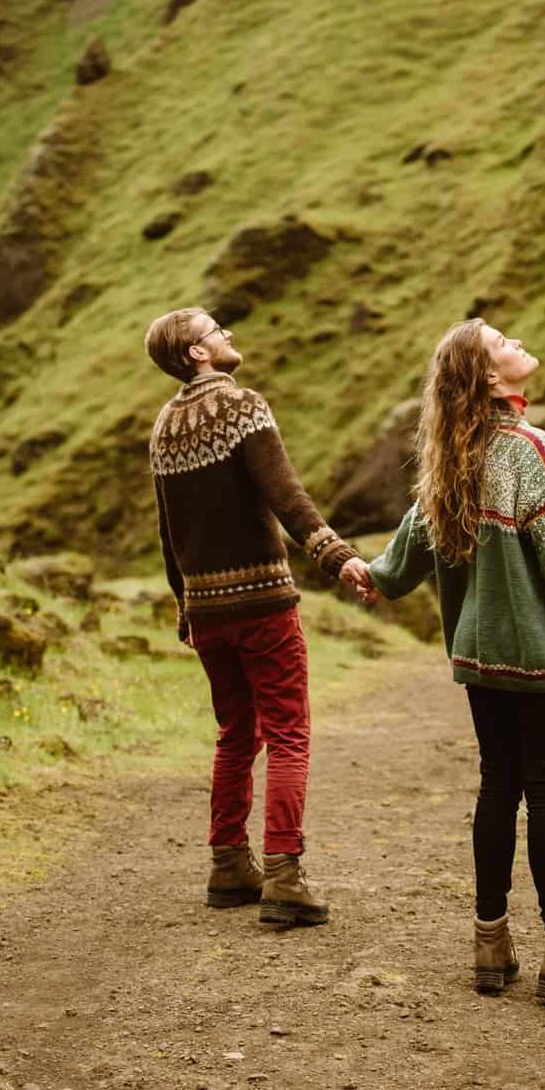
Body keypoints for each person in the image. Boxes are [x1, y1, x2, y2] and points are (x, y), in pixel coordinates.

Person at [358, 319, 545, 1003]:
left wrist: (377, 576)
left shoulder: (453, 458)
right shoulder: (533, 452)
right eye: (502, 341)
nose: (517, 343)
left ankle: (491, 942)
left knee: (496, 787)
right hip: (543, 663)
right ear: (487, 376)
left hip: (480, 661)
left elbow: (409, 549)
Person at [144, 307, 368, 929]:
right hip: (264, 603)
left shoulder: (163, 427)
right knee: (289, 733)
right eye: (216, 331)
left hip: (208, 613)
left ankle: (227, 865)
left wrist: (184, 603)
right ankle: (285, 875)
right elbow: (285, 494)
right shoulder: (243, 406)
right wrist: (336, 556)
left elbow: (169, 532)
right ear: (197, 353)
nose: (227, 335)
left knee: (236, 736)